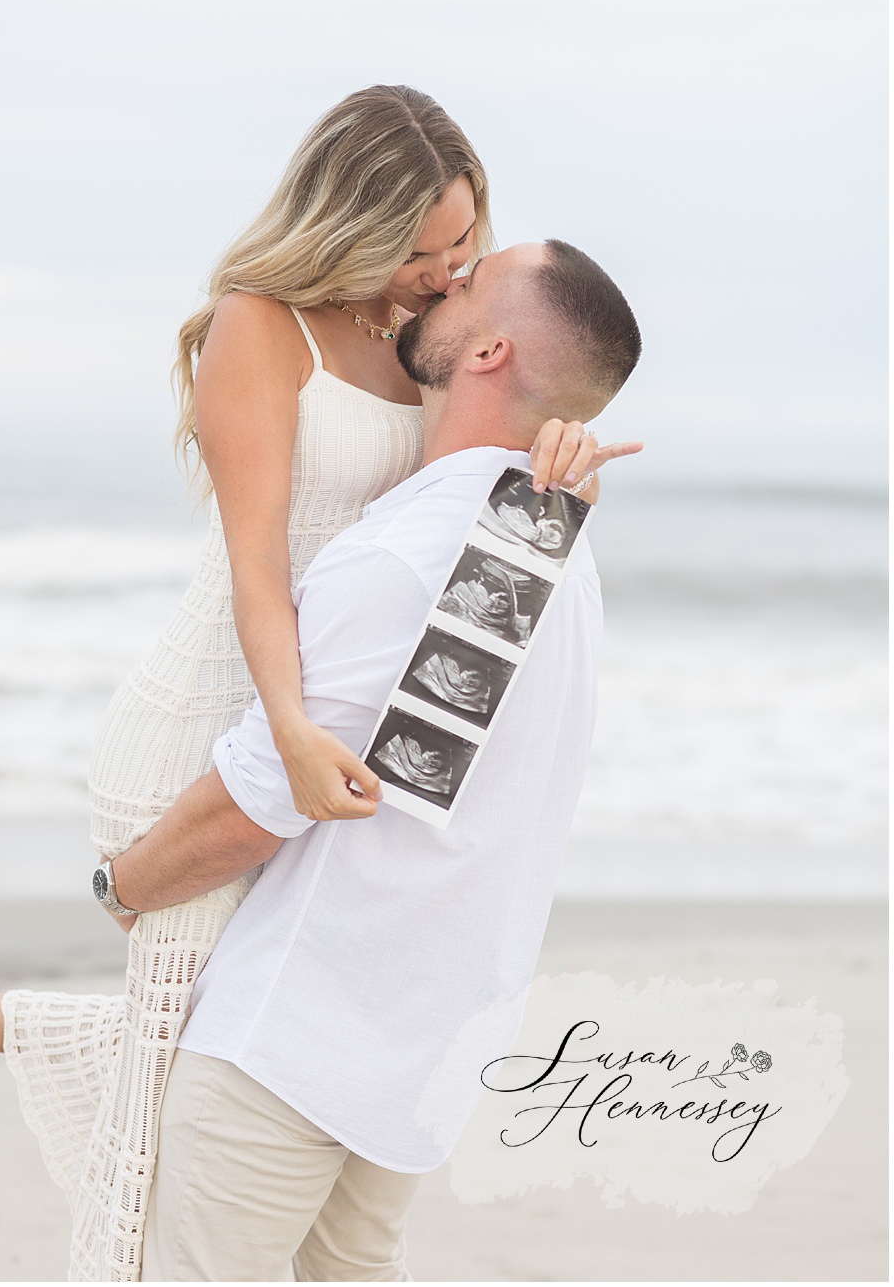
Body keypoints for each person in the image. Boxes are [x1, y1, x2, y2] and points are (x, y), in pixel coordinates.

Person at [0, 87, 640, 1280]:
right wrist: (284, 726)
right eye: (425, 249)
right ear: (352, 219)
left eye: (465, 248)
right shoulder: (261, 326)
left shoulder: (425, 349)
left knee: (245, 1021)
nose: (444, 275)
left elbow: (484, 456)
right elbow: (257, 566)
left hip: (321, 702)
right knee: (181, 1075)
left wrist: (551, 481)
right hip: (226, 706)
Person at [109, 238, 642, 1278]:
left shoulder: (413, 553)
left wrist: (120, 886)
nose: (440, 281)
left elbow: (261, 801)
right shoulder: (547, 547)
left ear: (486, 349)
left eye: (467, 275)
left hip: (297, 1035)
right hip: (421, 1042)